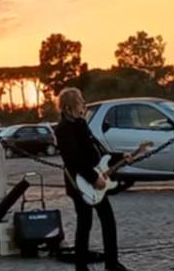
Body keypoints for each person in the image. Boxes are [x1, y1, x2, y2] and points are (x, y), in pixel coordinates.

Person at [53, 87, 129, 271]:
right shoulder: (63, 129)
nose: (83, 104)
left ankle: (111, 263)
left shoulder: (81, 124)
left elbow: (96, 153)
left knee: (106, 221)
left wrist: (121, 157)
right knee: (85, 223)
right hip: (80, 183)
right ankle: (83, 266)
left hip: (93, 178)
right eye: (80, 101)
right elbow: (73, 159)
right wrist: (94, 178)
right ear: (70, 106)